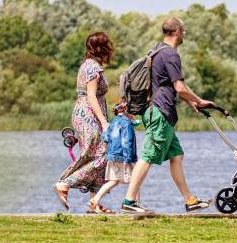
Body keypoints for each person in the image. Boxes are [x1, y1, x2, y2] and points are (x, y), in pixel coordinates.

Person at [121, 17, 215, 214]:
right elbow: (179, 87)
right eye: (184, 31)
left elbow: (172, 86)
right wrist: (199, 100)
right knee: (147, 156)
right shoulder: (171, 55)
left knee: (176, 155)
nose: (185, 34)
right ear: (178, 31)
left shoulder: (157, 51)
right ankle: (129, 201)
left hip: (159, 111)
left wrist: (191, 103)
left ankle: (190, 200)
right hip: (160, 112)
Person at [54, 32, 115, 213]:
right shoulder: (93, 68)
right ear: (102, 48)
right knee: (102, 155)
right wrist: (104, 122)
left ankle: (94, 203)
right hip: (89, 116)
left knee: (94, 155)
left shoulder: (88, 65)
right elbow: (91, 96)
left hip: (85, 114)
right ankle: (64, 183)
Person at [89, 104, 138, 214]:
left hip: (112, 156)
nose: (134, 114)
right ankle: (134, 204)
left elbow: (106, 138)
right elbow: (127, 141)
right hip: (124, 156)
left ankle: (95, 200)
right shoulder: (126, 123)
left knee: (114, 181)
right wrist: (128, 159)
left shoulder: (114, 122)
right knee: (136, 179)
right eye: (133, 111)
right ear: (126, 111)